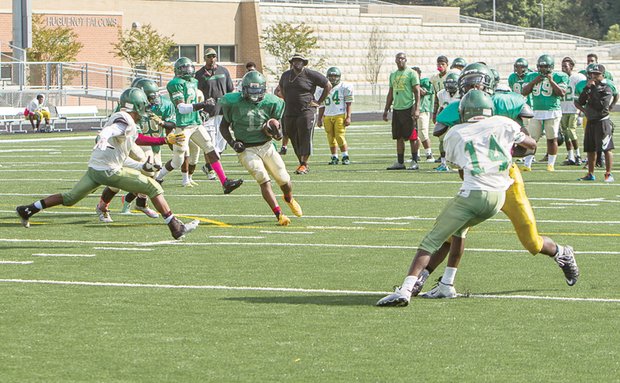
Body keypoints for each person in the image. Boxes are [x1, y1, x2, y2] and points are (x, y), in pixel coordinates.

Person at [417, 64, 577, 299]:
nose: (472, 88)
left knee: (531, 241)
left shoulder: (506, 102)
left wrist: (508, 146)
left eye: (477, 83)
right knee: (454, 233)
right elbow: (442, 133)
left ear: (488, 84)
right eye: (468, 83)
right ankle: (431, 280)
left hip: (506, 177)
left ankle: (561, 252)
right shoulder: (457, 107)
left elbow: (529, 140)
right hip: (475, 178)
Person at [377, 90, 537, 307]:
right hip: (498, 197)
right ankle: (446, 285)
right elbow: (531, 145)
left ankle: (405, 290)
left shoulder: (456, 133)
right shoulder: (503, 123)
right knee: (458, 232)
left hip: (474, 194)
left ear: (464, 111)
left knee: (431, 241)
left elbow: (462, 170)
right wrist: (506, 151)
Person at [15, 88, 199, 240]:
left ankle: (28, 209)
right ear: (136, 105)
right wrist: (104, 136)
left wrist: (162, 143)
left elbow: (136, 139)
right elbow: (113, 129)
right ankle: (175, 226)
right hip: (108, 170)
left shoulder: (126, 121)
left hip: (96, 169)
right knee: (152, 187)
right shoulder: (124, 118)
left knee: (70, 198)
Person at [219, 71, 303, 226]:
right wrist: (232, 142)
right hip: (247, 149)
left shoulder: (272, 102)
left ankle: (288, 198)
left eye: (257, 92)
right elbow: (223, 126)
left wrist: (277, 133)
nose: (253, 96)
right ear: (243, 90)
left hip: (266, 145)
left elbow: (276, 126)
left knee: (284, 179)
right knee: (263, 179)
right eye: (250, 92)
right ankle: (279, 214)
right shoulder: (233, 102)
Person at [156, 57, 243, 194]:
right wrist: (202, 105)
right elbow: (181, 107)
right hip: (183, 125)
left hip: (196, 123)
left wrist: (202, 111)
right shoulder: (175, 84)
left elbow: (194, 102)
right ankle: (158, 178)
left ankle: (225, 182)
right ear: (178, 70)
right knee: (178, 160)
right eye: (184, 68)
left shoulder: (194, 82)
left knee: (210, 148)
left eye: (189, 67)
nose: (188, 70)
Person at [278, 53, 332, 174]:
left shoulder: (310, 74)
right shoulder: (286, 75)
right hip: (290, 110)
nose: (297, 63)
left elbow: (328, 85)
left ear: (304, 63)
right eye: (295, 61)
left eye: (300, 61)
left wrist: (318, 101)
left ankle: (304, 163)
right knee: (292, 134)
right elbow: (281, 87)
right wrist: (286, 99)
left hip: (306, 109)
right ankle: (301, 162)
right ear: (291, 62)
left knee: (305, 134)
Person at [521, 54, 568, 172]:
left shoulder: (559, 76)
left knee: (551, 138)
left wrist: (551, 81)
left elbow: (561, 93)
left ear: (551, 67)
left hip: (552, 111)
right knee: (531, 138)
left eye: (545, 66)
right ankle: (527, 164)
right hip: (536, 111)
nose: (542, 69)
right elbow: (524, 92)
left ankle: (550, 164)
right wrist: (533, 82)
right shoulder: (532, 76)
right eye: (541, 66)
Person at [195, 48, 235, 180]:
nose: (211, 58)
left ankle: (209, 165)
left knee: (222, 143)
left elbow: (230, 90)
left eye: (213, 56)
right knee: (209, 142)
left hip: (223, 111)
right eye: (209, 56)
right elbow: (197, 94)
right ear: (205, 58)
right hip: (208, 113)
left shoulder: (223, 71)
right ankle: (210, 168)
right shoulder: (199, 74)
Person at [575, 63, 615, 182]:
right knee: (590, 148)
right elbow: (581, 101)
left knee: (606, 148)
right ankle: (590, 173)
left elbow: (601, 106)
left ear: (602, 75)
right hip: (591, 120)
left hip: (602, 121)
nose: (593, 76)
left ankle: (608, 173)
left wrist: (592, 89)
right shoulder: (589, 87)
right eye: (592, 74)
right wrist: (587, 89)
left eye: (596, 74)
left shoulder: (606, 88)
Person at [382, 52, 421, 170]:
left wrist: (417, 109)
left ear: (406, 60)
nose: (400, 61)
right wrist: (386, 109)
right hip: (397, 109)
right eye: (398, 59)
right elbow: (391, 92)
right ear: (395, 60)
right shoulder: (393, 74)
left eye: (403, 58)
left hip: (409, 108)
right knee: (398, 136)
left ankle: (414, 161)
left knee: (412, 136)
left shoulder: (411, 73)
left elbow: (417, 92)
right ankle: (400, 162)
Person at [316, 67, 354, 165]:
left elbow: (348, 103)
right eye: (331, 76)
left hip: (339, 115)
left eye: (335, 76)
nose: (333, 78)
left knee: (339, 136)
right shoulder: (322, 88)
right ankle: (334, 157)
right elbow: (322, 105)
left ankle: (345, 156)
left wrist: (348, 116)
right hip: (327, 116)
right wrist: (319, 118)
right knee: (330, 137)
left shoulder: (344, 87)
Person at [560, 57, 587, 166]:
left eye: (565, 66)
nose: (563, 68)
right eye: (562, 66)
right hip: (562, 109)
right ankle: (570, 156)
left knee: (571, 131)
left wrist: (581, 109)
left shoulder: (578, 77)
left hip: (573, 108)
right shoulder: (560, 77)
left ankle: (578, 155)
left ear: (571, 66)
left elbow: (583, 92)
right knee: (566, 133)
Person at [433, 72, 460, 171]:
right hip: (445, 119)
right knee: (442, 140)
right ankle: (443, 163)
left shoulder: (462, 93)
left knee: (458, 141)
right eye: (448, 84)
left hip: (457, 119)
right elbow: (440, 106)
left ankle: (458, 162)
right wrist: (437, 117)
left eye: (452, 84)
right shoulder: (441, 93)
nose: (450, 86)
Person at [412, 66, 435, 163]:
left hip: (423, 110)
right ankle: (416, 155)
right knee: (415, 134)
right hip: (412, 110)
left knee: (423, 133)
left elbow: (423, 92)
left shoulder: (425, 82)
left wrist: (415, 85)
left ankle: (429, 154)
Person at [430, 55, 449, 124]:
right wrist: (434, 113)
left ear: (447, 65)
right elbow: (436, 96)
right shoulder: (435, 78)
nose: (440, 66)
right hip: (440, 107)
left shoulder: (450, 76)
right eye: (438, 64)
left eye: (443, 64)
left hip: (449, 105)